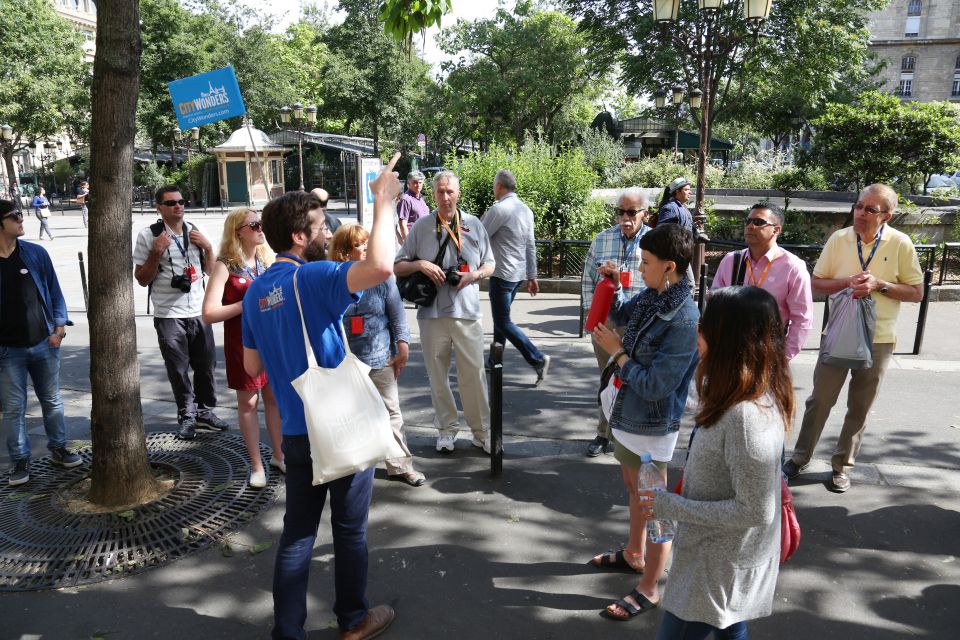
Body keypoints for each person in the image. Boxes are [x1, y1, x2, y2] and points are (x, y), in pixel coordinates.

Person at [241, 154, 402, 640]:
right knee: (349, 531)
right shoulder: (312, 277)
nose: (327, 231)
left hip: (295, 431)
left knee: (297, 535)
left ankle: (287, 632)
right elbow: (380, 266)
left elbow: (252, 368)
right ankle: (354, 619)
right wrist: (383, 203)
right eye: (320, 225)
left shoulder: (254, 292)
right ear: (298, 237)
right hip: (340, 426)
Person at [639, 285, 794, 639]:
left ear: (728, 338)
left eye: (706, 322)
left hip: (716, 567)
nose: (698, 328)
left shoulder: (745, 415)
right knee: (730, 626)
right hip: (720, 562)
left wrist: (673, 506)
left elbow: (755, 510)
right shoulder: (748, 391)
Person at [589, 223, 699, 621]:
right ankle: (635, 554)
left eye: (647, 262)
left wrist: (618, 355)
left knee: (656, 507)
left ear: (669, 267)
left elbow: (657, 385)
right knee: (636, 490)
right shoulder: (655, 295)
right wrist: (613, 287)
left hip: (650, 425)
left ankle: (650, 586)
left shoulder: (685, 317)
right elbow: (622, 316)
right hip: (626, 415)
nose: (640, 266)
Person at [784, 183, 923, 493]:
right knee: (820, 400)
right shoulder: (839, 239)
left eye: (869, 209)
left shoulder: (901, 244)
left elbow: (916, 292)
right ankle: (800, 457)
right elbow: (817, 283)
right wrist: (847, 281)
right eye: (858, 206)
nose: (860, 213)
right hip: (838, 334)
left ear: (887, 215)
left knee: (860, 406)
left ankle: (842, 466)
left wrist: (880, 284)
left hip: (879, 340)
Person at [394, 170, 495, 454]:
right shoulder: (422, 226)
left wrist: (473, 276)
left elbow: (490, 264)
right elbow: (397, 265)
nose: (445, 196)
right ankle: (446, 429)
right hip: (432, 315)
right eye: (440, 191)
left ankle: (481, 432)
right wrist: (420, 265)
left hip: (467, 312)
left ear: (458, 194)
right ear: (433, 194)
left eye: (450, 191)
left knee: (473, 374)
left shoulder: (474, 224)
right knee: (437, 375)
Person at [329, 224, 424, 487]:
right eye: (360, 245)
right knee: (349, 415)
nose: (366, 248)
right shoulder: (332, 279)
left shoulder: (382, 277)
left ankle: (402, 466)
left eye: (367, 243)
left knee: (391, 412)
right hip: (345, 361)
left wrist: (402, 344)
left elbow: (397, 314)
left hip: (380, 356)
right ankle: (355, 469)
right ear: (345, 251)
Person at [133, 185, 228, 440]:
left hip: (199, 310)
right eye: (171, 202)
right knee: (178, 369)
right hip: (168, 313)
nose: (178, 206)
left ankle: (205, 412)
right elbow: (142, 278)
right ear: (159, 207)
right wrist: (156, 253)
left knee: (206, 365)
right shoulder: (148, 236)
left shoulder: (196, 231)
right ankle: (187, 415)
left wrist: (208, 248)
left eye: (181, 201)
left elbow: (211, 271)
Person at [0, 199, 82, 486]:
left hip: (44, 343)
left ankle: (58, 448)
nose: (22, 220)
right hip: (8, 350)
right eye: (14, 216)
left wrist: (58, 330)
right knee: (13, 409)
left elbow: (55, 293)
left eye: (21, 214)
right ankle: (20, 462)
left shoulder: (35, 253)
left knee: (52, 400)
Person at [201, 207, 283, 489]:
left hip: (270, 340)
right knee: (248, 404)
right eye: (255, 224)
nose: (261, 228)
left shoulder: (266, 260)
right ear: (238, 231)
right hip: (241, 342)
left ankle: (280, 456)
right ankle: (257, 465)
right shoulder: (226, 264)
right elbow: (209, 313)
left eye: (261, 223)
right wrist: (245, 304)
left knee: (274, 399)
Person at [580, 187, 651, 457]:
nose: (625, 217)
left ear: (644, 213)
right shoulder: (601, 240)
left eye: (631, 212)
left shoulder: (655, 242)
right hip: (607, 322)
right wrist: (592, 318)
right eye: (620, 211)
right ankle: (603, 433)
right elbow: (588, 280)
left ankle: (635, 435)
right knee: (608, 380)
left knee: (639, 379)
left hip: (640, 323)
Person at [712, 203, 813, 360]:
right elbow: (715, 305)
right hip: (729, 350)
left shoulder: (792, 267)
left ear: (776, 229)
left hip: (769, 352)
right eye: (748, 221)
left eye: (758, 222)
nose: (750, 226)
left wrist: (782, 357)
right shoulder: (732, 261)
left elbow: (802, 318)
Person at [482, 169, 550, 385]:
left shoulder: (499, 209)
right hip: (517, 275)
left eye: (494, 185)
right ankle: (494, 362)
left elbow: (479, 237)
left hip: (501, 274)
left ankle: (537, 359)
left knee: (502, 321)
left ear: (500, 186)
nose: (494, 188)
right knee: (501, 320)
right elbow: (530, 245)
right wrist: (532, 275)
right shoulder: (525, 210)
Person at [396, 170, 429, 244]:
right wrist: (409, 245)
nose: (418, 185)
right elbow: (403, 224)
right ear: (408, 184)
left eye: (420, 182)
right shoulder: (406, 199)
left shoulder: (420, 198)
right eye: (415, 182)